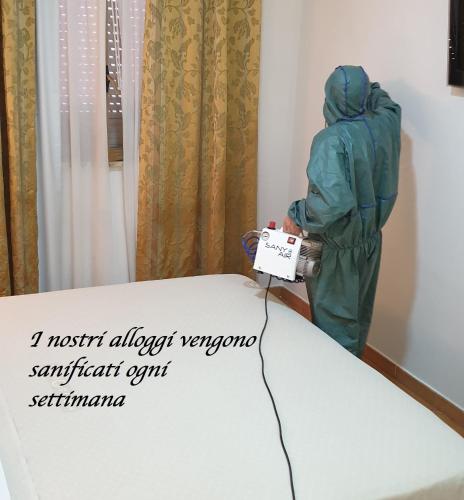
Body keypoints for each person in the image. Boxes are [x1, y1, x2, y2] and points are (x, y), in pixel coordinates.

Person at [283, 65, 401, 357]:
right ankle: (352, 375)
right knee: (358, 318)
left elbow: (330, 204)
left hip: (337, 250)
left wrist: (296, 215)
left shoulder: (331, 140)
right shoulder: (385, 124)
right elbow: (387, 103)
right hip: (369, 243)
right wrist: (366, 87)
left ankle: (333, 382)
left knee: (334, 329)